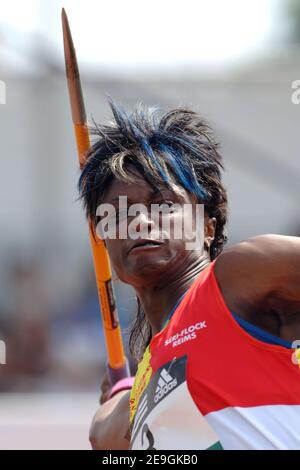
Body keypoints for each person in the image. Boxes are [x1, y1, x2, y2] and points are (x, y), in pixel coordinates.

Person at [79, 101, 300, 450]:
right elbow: (103, 435)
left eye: (164, 205)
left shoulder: (239, 279)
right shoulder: (147, 384)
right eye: (118, 213)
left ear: (207, 226)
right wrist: (125, 388)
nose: (139, 222)